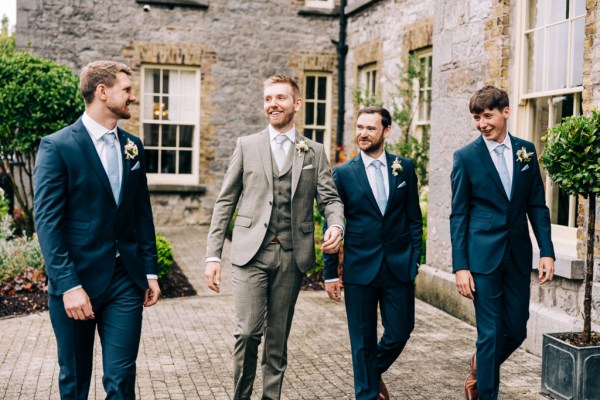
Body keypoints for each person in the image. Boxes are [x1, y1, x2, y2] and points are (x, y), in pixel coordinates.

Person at [204, 74, 345, 400]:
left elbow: (330, 200)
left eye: (280, 98)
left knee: (277, 340)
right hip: (249, 254)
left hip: (291, 257)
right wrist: (213, 256)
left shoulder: (314, 151)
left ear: (296, 104)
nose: (272, 104)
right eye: (268, 98)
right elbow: (225, 200)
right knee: (247, 332)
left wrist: (336, 225)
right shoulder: (247, 145)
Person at [34, 60, 160, 399]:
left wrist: (149, 270)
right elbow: (47, 222)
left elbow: (140, 212)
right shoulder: (57, 147)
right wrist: (68, 285)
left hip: (125, 281)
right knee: (75, 381)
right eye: (127, 90)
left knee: (121, 380)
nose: (133, 97)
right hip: (77, 282)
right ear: (102, 92)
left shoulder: (133, 146)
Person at [450, 86, 555, 400]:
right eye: (477, 117)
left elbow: (537, 204)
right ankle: (485, 392)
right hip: (482, 258)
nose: (482, 123)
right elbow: (459, 215)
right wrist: (461, 267)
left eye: (488, 115)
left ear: (505, 112)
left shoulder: (526, 151)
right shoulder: (466, 157)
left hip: (518, 255)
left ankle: (479, 368)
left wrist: (546, 251)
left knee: (517, 329)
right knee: (491, 332)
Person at [323, 106, 423, 400]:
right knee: (362, 339)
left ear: (386, 131)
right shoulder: (341, 174)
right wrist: (330, 273)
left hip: (399, 266)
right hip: (359, 269)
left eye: (370, 128)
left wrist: (415, 256)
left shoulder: (404, 168)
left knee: (400, 331)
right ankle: (366, 393)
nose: (362, 134)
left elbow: (414, 217)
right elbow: (333, 224)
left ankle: (370, 372)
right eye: (359, 127)